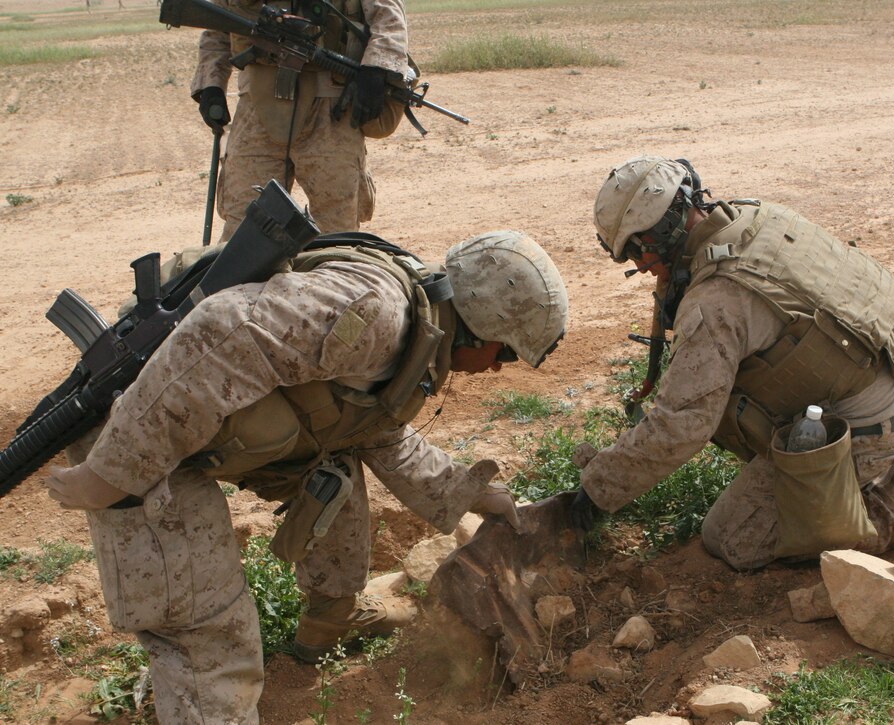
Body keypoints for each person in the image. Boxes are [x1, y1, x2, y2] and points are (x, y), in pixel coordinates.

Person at [46, 229, 569, 724]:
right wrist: (112, 473)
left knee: (333, 469)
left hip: (201, 416)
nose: (499, 369)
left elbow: (373, 429)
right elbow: (219, 329)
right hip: (141, 424)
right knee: (206, 635)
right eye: (503, 352)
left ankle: (330, 620)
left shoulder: (417, 333)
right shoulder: (377, 315)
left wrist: (475, 494)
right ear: (481, 322)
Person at [572, 154, 894, 571]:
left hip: (864, 418)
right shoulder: (753, 217)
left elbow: (682, 424)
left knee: (734, 537)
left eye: (637, 254)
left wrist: (594, 494)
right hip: (889, 380)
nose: (644, 268)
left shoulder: (714, 303)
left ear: (660, 235)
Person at [191, 0, 410, 241]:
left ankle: (334, 275)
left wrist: (377, 69)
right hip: (256, 110)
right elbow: (218, 21)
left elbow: (388, 18)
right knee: (244, 227)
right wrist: (211, 84)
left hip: (331, 110)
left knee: (336, 228)